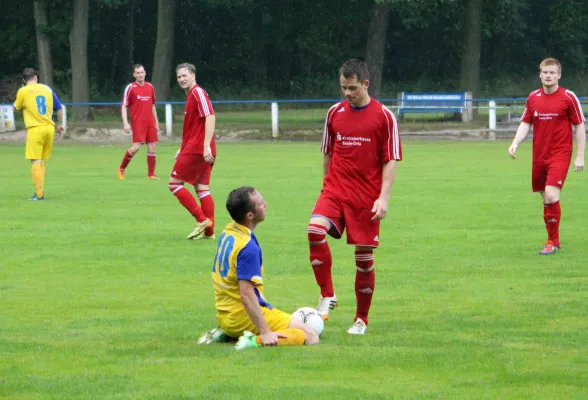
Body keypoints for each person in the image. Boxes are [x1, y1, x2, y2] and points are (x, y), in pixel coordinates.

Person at [307, 59, 402, 335]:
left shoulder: (384, 117)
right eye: (343, 88)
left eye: (352, 88)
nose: (347, 93)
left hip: (366, 197)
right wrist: (326, 185)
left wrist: (383, 198)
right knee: (314, 230)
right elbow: (327, 152)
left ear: (365, 84)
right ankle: (327, 294)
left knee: (363, 259)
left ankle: (361, 318)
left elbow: (390, 160)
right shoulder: (334, 113)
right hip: (335, 190)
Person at [198, 186, 320, 350]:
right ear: (250, 215)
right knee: (310, 336)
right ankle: (253, 340)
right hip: (241, 316)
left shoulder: (229, 230)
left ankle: (227, 333)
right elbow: (246, 294)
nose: (266, 205)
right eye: (262, 204)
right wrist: (265, 331)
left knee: (283, 319)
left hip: (224, 315)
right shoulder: (248, 248)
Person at [508, 58, 585, 255]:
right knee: (546, 199)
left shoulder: (568, 97)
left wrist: (580, 156)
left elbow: (579, 126)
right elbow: (526, 123)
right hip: (539, 155)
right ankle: (553, 240)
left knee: (551, 194)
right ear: (540, 74)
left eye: (552, 72)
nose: (548, 76)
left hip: (560, 154)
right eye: (545, 72)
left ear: (559, 75)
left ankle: (552, 241)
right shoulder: (533, 97)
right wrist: (515, 142)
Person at [168, 63, 216, 240]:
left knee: (174, 184)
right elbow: (192, 128)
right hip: (195, 148)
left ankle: (202, 220)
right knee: (202, 188)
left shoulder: (198, 93)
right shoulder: (191, 96)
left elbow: (210, 117)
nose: (181, 79)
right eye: (179, 77)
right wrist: (181, 149)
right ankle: (209, 232)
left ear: (193, 75)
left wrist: (205, 146)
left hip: (198, 149)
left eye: (184, 75)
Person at [13, 67, 64, 200]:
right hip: (49, 128)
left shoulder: (23, 91)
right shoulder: (47, 89)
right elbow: (59, 108)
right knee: (40, 161)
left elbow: (15, 108)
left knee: (35, 161)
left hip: (35, 129)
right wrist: (60, 125)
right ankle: (39, 191)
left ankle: (39, 195)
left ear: (24, 80)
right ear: (36, 77)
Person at [118, 64, 160, 180]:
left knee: (152, 146)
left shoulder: (150, 87)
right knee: (136, 147)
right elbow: (124, 106)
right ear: (134, 74)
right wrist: (126, 123)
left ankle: (151, 174)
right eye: (138, 73)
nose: (140, 75)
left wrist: (156, 121)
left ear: (145, 73)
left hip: (150, 122)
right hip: (138, 122)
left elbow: (152, 105)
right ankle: (122, 168)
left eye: (142, 72)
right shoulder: (130, 88)